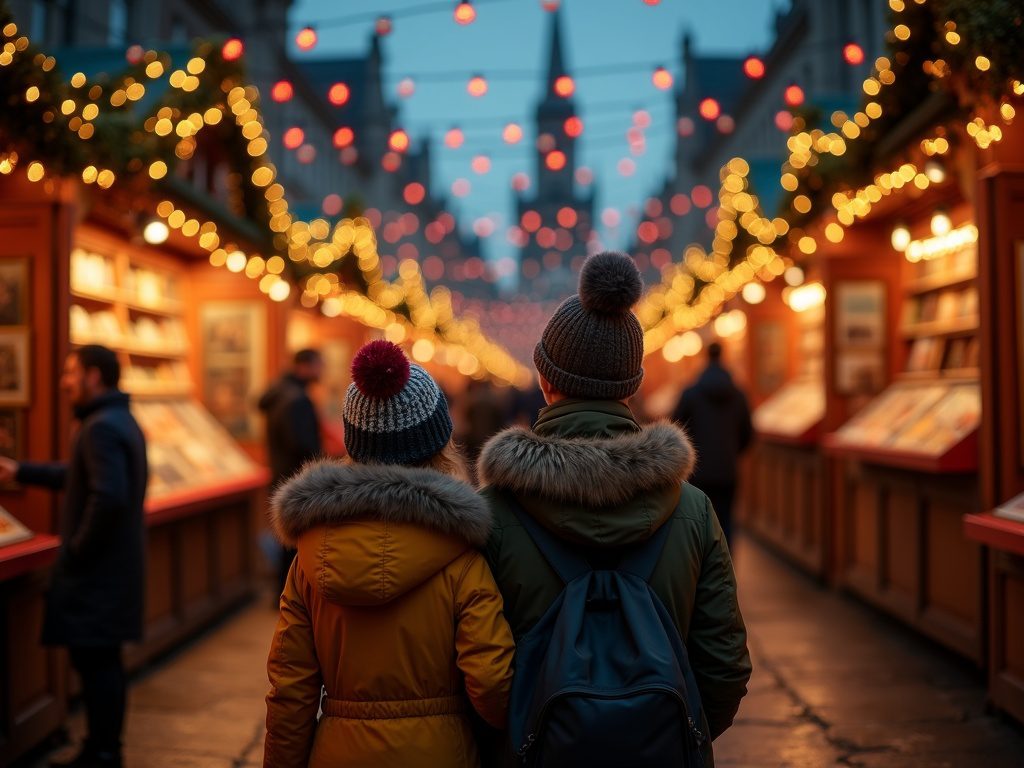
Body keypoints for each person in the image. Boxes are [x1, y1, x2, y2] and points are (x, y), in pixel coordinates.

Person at [478, 252, 751, 767]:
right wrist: (674, 733)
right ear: (632, 385)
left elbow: (479, 669)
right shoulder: (693, 510)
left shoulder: (493, 513)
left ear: (545, 380)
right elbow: (725, 665)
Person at [264, 340, 515, 768]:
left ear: (354, 442)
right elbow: (491, 683)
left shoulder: (310, 555)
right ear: (439, 444)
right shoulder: (461, 553)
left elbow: (290, 689)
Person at [0, 345, 147, 768]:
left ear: (94, 376)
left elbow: (109, 497)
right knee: (103, 662)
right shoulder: (117, 420)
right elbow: (82, 475)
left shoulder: (99, 426)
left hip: (99, 572)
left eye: (70, 373)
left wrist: (77, 552)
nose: (64, 382)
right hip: (114, 568)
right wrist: (22, 470)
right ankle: (103, 749)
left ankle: (102, 753)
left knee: (96, 663)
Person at [671, 341, 753, 548]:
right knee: (726, 521)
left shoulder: (690, 393)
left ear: (705, 357)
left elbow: (676, 430)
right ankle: (724, 571)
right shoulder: (739, 395)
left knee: (698, 521)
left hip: (697, 470)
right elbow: (748, 434)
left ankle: (699, 569)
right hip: (728, 470)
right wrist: (732, 452)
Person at [257, 348, 324, 592]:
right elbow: (303, 445)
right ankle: (288, 593)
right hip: (296, 480)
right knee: (294, 545)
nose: (322, 371)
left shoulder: (280, 394)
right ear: (304, 366)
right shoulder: (297, 400)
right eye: (319, 365)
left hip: (279, 474)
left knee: (284, 540)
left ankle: (281, 591)